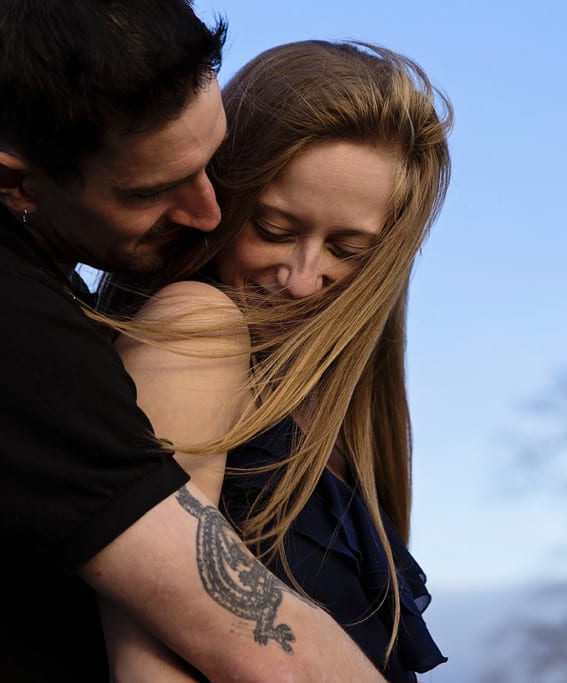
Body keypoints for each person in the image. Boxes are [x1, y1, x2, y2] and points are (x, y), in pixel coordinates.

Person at [0, 2, 389, 682]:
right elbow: (257, 645)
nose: (208, 212)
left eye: (212, 161)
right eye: (153, 191)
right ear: (13, 181)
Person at [98, 40, 452, 682]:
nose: (300, 278)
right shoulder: (195, 327)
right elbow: (147, 667)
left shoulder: (338, 418)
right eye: (274, 229)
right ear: (221, 200)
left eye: (348, 249)